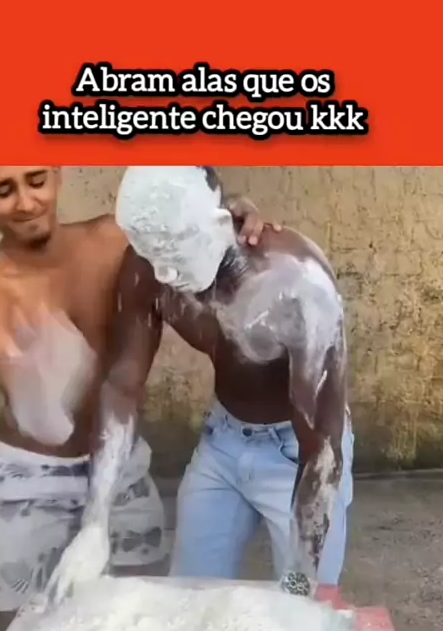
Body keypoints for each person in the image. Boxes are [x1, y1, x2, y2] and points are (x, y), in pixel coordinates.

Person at [0, 165, 271, 631]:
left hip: (119, 468)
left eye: (36, 180)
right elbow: (47, 419)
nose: (25, 202)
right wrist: (47, 367)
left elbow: (186, 233)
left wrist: (226, 216)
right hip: (32, 485)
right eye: (3, 191)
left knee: (135, 626)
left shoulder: (115, 239)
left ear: (58, 175)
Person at [59, 166, 354, 600]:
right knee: (187, 597)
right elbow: (121, 385)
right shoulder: (149, 267)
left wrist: (301, 583)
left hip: (299, 453)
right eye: (149, 251)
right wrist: (94, 524)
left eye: (174, 251)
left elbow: (321, 451)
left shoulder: (297, 285)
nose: (164, 272)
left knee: (305, 600)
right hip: (223, 445)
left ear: (218, 225)